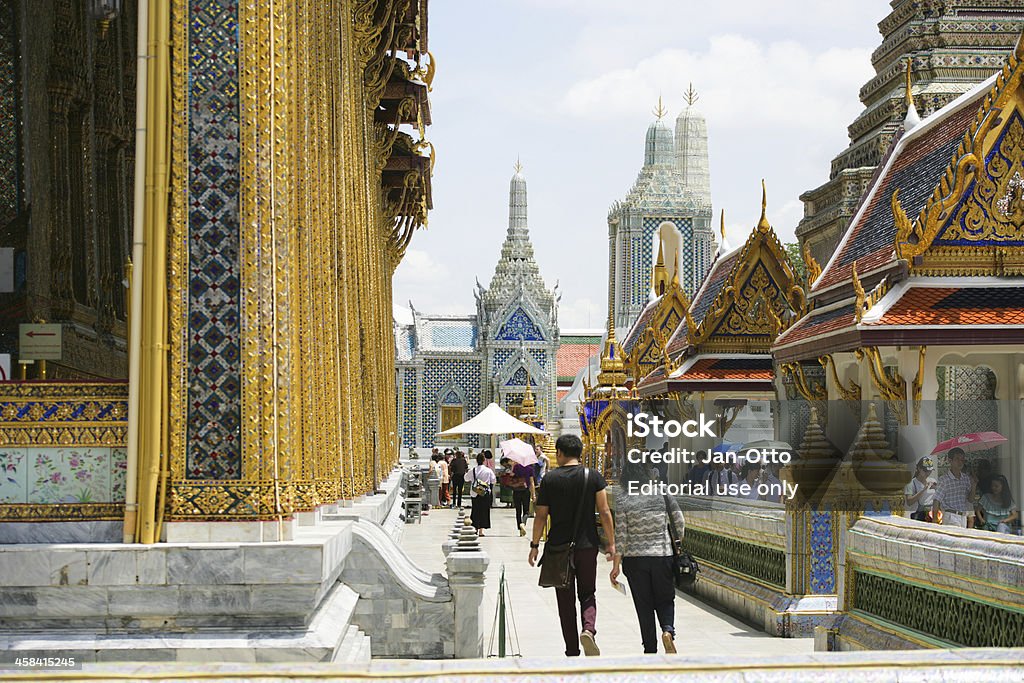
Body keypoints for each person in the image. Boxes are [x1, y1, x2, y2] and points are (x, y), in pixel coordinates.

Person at [529, 434, 615, 657]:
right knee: (588, 593)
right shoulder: (593, 476)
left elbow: (540, 516)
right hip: (587, 546)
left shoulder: (550, 479)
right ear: (580, 453)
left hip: (559, 547)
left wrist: (534, 544)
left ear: (559, 453)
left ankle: (572, 649)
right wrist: (612, 545)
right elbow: (605, 512)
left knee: (565, 600)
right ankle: (588, 629)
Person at [610, 458, 684, 654]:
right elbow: (679, 521)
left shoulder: (624, 498)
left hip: (635, 560)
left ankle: (650, 648)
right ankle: (668, 630)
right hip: (662, 555)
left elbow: (621, 535)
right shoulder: (662, 492)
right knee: (665, 598)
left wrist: (616, 566)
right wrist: (675, 543)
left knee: (644, 605)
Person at [933, 448, 976, 528]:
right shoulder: (944, 480)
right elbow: (936, 500)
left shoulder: (966, 479)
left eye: (962, 460)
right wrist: (935, 519)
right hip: (950, 516)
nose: (960, 462)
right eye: (957, 459)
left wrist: (973, 486)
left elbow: (970, 500)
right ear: (950, 460)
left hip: (963, 516)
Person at [500, 457, 537, 536]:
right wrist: (533, 494)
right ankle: (523, 523)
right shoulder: (530, 469)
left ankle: (520, 529)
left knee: (518, 510)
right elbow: (532, 482)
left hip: (516, 491)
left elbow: (511, 476)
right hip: (525, 491)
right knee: (526, 510)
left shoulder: (516, 467)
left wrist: (513, 467)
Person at [469, 453, 496, 536]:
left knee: (475, 510)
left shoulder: (473, 470)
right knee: (484, 511)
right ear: (484, 460)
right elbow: (493, 481)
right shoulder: (488, 470)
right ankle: (481, 530)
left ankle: (475, 528)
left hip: (475, 493)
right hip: (485, 493)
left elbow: (466, 478)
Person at [905, 457, 936, 522]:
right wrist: (923, 490)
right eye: (925, 471)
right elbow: (909, 502)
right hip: (918, 516)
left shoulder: (932, 481)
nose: (928, 473)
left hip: (932, 514)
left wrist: (937, 489)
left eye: (930, 471)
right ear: (919, 468)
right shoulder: (911, 483)